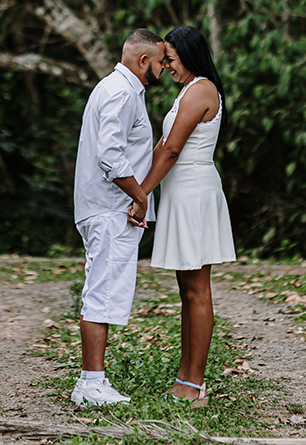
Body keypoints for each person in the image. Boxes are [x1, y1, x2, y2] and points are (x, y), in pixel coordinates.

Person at [135, 25, 235, 406]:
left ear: (189, 56)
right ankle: (184, 377)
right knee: (186, 290)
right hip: (181, 195)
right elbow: (163, 144)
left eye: (171, 60)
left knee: (197, 290)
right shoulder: (188, 90)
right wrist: (138, 185)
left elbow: (172, 149)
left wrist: (141, 193)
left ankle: (195, 384)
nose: (166, 67)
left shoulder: (202, 90)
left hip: (194, 195)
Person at [71, 27, 165, 407]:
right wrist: (140, 197)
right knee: (102, 292)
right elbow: (109, 155)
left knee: (103, 290)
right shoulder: (122, 93)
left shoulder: (117, 88)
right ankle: (92, 384)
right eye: (160, 62)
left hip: (106, 206)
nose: (163, 69)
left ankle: (91, 380)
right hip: (112, 208)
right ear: (143, 60)